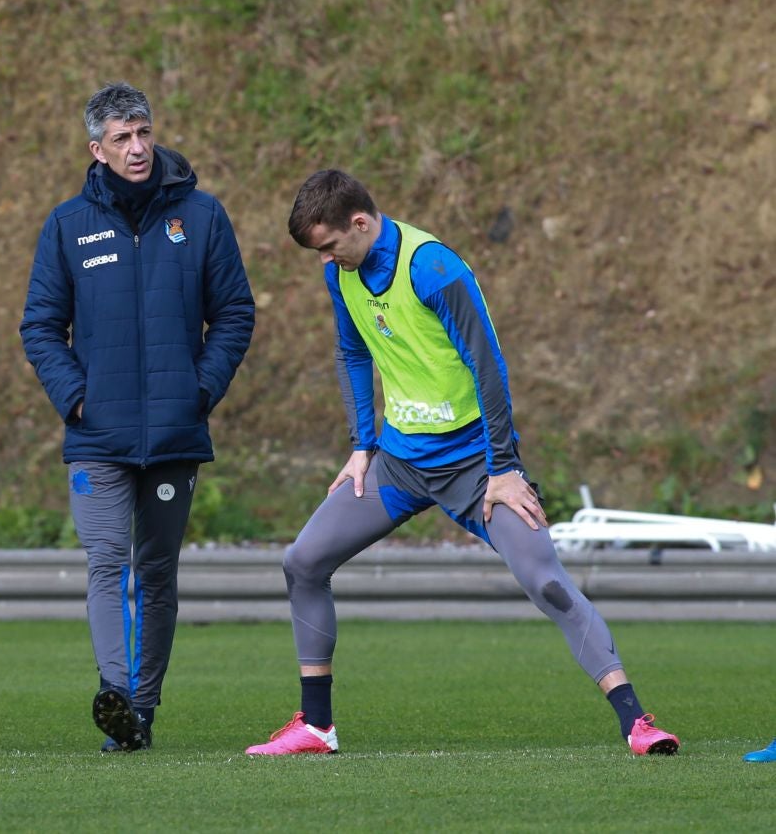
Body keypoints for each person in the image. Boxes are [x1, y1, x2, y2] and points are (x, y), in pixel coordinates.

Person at [244, 169, 678, 758]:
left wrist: (504, 468)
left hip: (477, 469)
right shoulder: (339, 273)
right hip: (398, 465)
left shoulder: (432, 267)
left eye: (329, 245)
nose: (325, 259)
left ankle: (637, 722)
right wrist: (361, 446)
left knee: (546, 581)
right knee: (303, 561)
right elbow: (352, 353)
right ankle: (316, 727)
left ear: (361, 223)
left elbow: (489, 367)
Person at [20, 82, 255, 751]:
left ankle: (141, 714)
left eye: (144, 133)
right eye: (121, 138)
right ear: (96, 150)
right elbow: (40, 325)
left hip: (177, 432)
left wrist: (199, 389)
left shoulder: (202, 217)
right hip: (97, 435)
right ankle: (115, 696)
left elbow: (235, 312)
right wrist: (76, 396)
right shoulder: (67, 225)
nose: (137, 147)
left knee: (156, 572)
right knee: (105, 563)